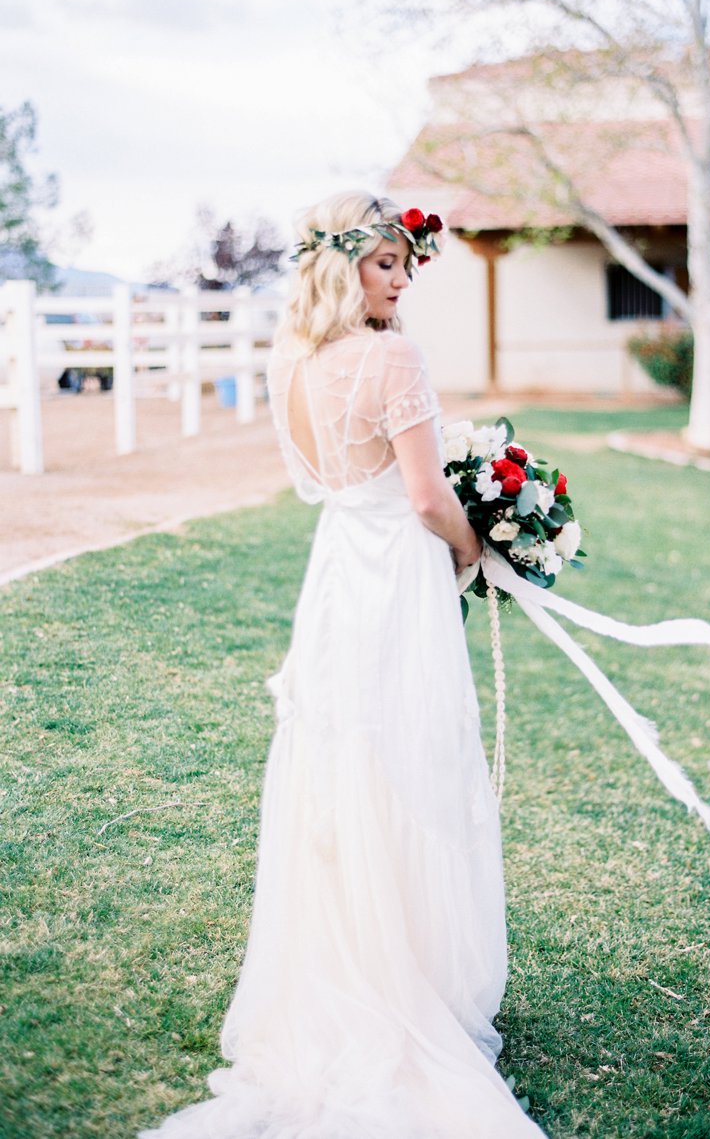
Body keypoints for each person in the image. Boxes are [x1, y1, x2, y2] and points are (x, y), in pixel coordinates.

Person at [139, 192, 547, 1138]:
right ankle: (407, 977)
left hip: (334, 577)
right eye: (384, 265)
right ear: (340, 266)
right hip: (395, 576)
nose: (401, 282)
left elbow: (329, 480)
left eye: (406, 266)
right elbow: (420, 494)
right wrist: (473, 546)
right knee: (409, 758)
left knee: (342, 762)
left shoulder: (297, 360)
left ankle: (342, 965)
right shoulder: (394, 357)